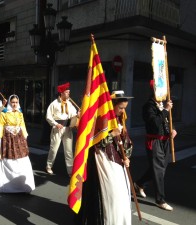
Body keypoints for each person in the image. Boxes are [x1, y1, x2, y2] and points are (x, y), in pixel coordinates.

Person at [75, 90, 133, 225]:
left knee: (122, 194)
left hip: (119, 161)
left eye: (125, 108)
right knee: (112, 194)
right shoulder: (101, 118)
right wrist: (112, 134)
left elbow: (127, 141)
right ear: (112, 105)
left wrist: (127, 156)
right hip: (103, 160)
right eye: (121, 108)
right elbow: (95, 142)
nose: (123, 111)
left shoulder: (121, 119)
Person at [134, 80, 177, 211]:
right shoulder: (148, 106)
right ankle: (160, 200)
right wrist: (166, 109)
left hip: (165, 141)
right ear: (154, 91)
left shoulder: (163, 105)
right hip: (154, 141)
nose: (164, 95)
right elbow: (155, 123)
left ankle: (139, 183)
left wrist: (173, 128)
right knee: (158, 170)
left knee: (161, 167)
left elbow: (167, 120)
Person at [0, 94, 35, 193]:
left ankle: (21, 186)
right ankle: (4, 185)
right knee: (3, 159)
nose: (14, 104)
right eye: (13, 102)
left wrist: (25, 138)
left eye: (16, 102)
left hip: (18, 140)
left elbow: (22, 126)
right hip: (6, 140)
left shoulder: (20, 113)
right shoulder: (4, 113)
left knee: (21, 160)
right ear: (10, 102)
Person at [45, 82, 79, 176]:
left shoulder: (70, 104)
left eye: (69, 92)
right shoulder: (54, 104)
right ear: (62, 93)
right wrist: (55, 124)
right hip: (57, 129)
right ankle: (49, 166)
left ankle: (70, 171)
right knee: (54, 149)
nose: (69, 94)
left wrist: (78, 115)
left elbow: (73, 114)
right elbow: (48, 117)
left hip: (68, 129)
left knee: (69, 151)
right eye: (67, 92)